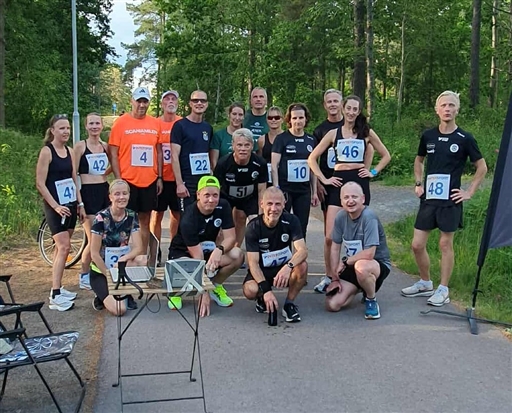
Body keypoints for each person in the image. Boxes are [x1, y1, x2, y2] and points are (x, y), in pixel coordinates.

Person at [401, 91, 487, 306]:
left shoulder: (465, 138)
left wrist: (469, 192)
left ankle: (443, 289)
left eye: (451, 105)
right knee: (417, 244)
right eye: (444, 105)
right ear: (437, 110)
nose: (447, 109)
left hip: (450, 201)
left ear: (457, 109)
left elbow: (482, 167)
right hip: (429, 199)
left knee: (445, 244)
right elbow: (419, 160)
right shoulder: (428, 136)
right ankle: (425, 282)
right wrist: (418, 183)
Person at [308, 95, 390, 293]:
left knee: (361, 233)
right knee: (330, 236)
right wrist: (324, 179)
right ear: (343, 109)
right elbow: (312, 158)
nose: (352, 112)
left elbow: (386, 155)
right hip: (338, 181)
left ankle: (360, 277)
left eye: (355, 109)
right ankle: (330, 276)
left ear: (359, 111)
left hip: (359, 181)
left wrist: (372, 172)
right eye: (349, 108)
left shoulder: (365, 132)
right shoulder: (333, 133)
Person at [168, 176, 244, 315]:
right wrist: (204, 293)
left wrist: (219, 250)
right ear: (198, 195)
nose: (211, 200)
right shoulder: (189, 217)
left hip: (209, 249)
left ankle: (215, 286)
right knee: (187, 267)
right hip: (184, 253)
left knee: (237, 255)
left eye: (215, 195)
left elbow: (230, 237)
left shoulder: (224, 206)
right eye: (207, 195)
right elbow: (198, 258)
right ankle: (176, 290)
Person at [36, 114, 85, 311]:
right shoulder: (47, 152)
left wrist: (80, 204)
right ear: (53, 131)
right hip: (56, 206)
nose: (66, 131)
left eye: (68, 128)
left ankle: (58, 287)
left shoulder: (70, 151)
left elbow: (74, 179)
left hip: (70, 204)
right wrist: (55, 206)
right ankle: (55, 295)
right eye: (62, 128)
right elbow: (40, 183)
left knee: (61, 249)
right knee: (64, 247)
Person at [325, 182, 391, 319]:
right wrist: (334, 278)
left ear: (363, 199)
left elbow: (369, 253)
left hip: (375, 263)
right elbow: (335, 247)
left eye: (354, 197)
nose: (350, 201)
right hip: (352, 264)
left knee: (361, 267)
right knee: (333, 304)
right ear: (341, 201)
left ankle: (371, 299)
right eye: (346, 197)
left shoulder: (369, 217)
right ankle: (361, 286)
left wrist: (345, 262)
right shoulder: (340, 217)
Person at [109, 86, 163, 251]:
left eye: (145, 101)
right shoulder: (120, 123)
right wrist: (119, 179)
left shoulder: (155, 123)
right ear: (132, 101)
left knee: (145, 220)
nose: (142, 105)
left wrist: (159, 177)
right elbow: (113, 152)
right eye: (139, 101)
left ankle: (142, 256)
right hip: (127, 181)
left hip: (149, 180)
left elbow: (159, 151)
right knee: (124, 220)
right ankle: (123, 255)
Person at [242, 187, 308, 323]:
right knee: (250, 290)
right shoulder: (253, 227)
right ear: (262, 204)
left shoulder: (291, 220)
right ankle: (262, 297)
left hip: (283, 270)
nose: (274, 209)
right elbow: (253, 264)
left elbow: (303, 251)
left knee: (302, 266)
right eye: (269, 204)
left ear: (284, 204)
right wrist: (266, 290)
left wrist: (289, 267)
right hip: (262, 271)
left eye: (278, 204)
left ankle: (289, 304)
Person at [89, 179, 144, 315]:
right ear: (110, 197)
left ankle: (124, 292)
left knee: (142, 259)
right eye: (117, 194)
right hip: (102, 270)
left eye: (125, 193)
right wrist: (108, 274)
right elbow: (94, 253)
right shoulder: (100, 218)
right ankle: (102, 295)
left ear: (129, 195)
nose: (121, 197)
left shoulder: (132, 216)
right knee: (120, 310)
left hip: (120, 267)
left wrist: (124, 258)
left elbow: (139, 247)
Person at [271, 103, 319, 239]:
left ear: (306, 119)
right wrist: (276, 188)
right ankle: (283, 251)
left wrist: (314, 192)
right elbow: (274, 165)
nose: (298, 121)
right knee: (282, 225)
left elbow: (314, 169)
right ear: (289, 120)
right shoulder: (281, 139)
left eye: (301, 118)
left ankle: (300, 252)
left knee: (301, 227)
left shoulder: (311, 140)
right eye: (295, 118)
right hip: (285, 189)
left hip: (303, 191)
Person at [74, 113, 110, 290]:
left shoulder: (106, 146)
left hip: (104, 191)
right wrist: (79, 202)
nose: (94, 126)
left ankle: (99, 272)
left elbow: (114, 164)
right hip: (87, 194)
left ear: (102, 126)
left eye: (97, 123)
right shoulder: (80, 146)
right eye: (91, 124)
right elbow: (73, 175)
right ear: (86, 126)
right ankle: (84, 273)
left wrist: (106, 174)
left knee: (104, 237)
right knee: (92, 238)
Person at [214, 128, 268, 247]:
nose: (243, 149)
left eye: (246, 145)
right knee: (222, 227)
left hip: (249, 197)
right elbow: (216, 189)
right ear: (233, 145)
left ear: (252, 146)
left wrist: (261, 215)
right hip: (227, 196)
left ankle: (237, 249)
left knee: (253, 222)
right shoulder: (223, 163)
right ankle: (219, 251)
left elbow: (262, 190)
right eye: (239, 145)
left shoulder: (260, 163)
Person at [150, 90, 182, 264]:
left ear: (177, 103)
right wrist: (158, 177)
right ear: (162, 103)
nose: (170, 101)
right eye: (167, 99)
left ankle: (173, 250)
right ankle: (155, 251)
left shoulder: (182, 123)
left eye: (173, 99)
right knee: (157, 215)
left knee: (177, 215)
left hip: (177, 178)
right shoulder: (155, 124)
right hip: (159, 178)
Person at [171, 90, 213, 211]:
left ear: (207, 104)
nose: (199, 103)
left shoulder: (208, 127)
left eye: (203, 100)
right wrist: (179, 183)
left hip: (204, 181)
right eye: (195, 100)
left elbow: (209, 153)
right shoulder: (180, 126)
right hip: (187, 182)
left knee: (204, 215)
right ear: (190, 103)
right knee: (187, 218)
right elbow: (174, 156)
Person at [209, 102, 245, 169]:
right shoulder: (218, 136)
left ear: (244, 117)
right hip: (223, 172)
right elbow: (214, 163)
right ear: (229, 115)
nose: (237, 118)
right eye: (234, 114)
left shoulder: (248, 136)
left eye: (240, 115)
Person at [257, 106, 283, 186]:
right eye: (270, 118)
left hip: (284, 180)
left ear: (282, 119)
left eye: (277, 117)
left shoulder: (288, 138)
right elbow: (260, 161)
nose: (273, 120)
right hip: (267, 181)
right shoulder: (261, 140)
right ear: (267, 120)